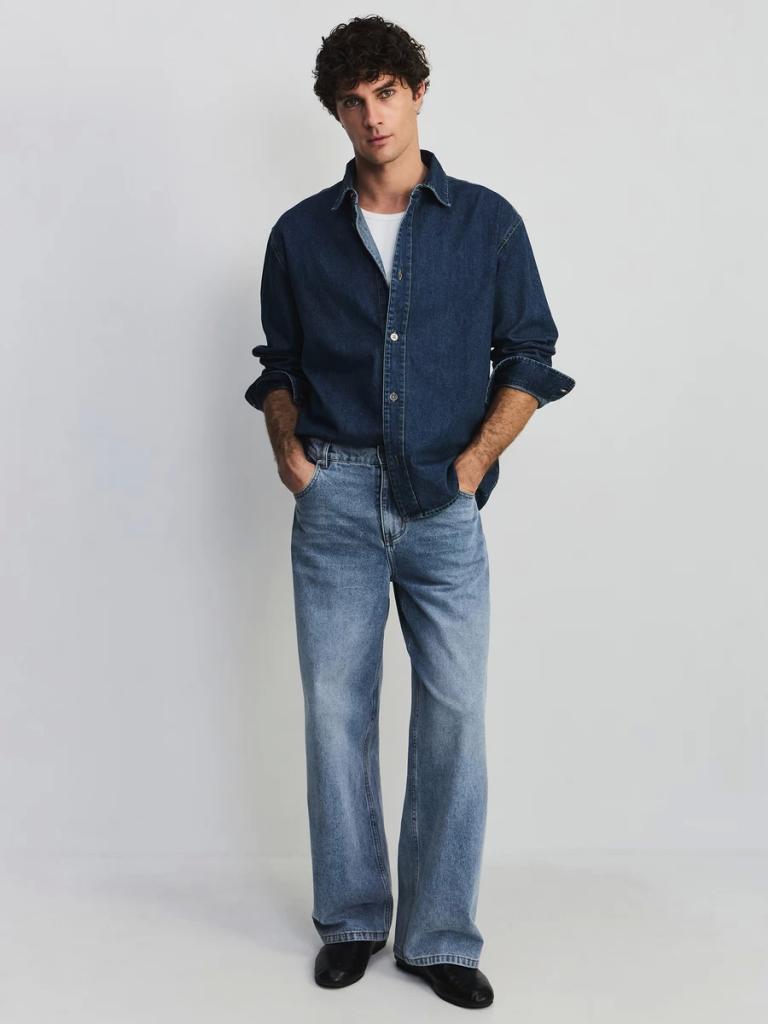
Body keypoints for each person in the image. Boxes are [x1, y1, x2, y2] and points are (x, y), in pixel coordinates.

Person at [245, 15, 575, 1009]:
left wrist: (473, 462)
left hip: (444, 502)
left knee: (456, 714)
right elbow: (279, 365)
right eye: (352, 101)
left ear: (418, 93)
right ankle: (352, 919)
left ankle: (437, 936)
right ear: (336, 113)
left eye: (386, 92)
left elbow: (530, 353)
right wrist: (289, 448)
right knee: (333, 712)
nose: (372, 116)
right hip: (335, 496)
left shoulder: (487, 223)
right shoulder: (300, 234)